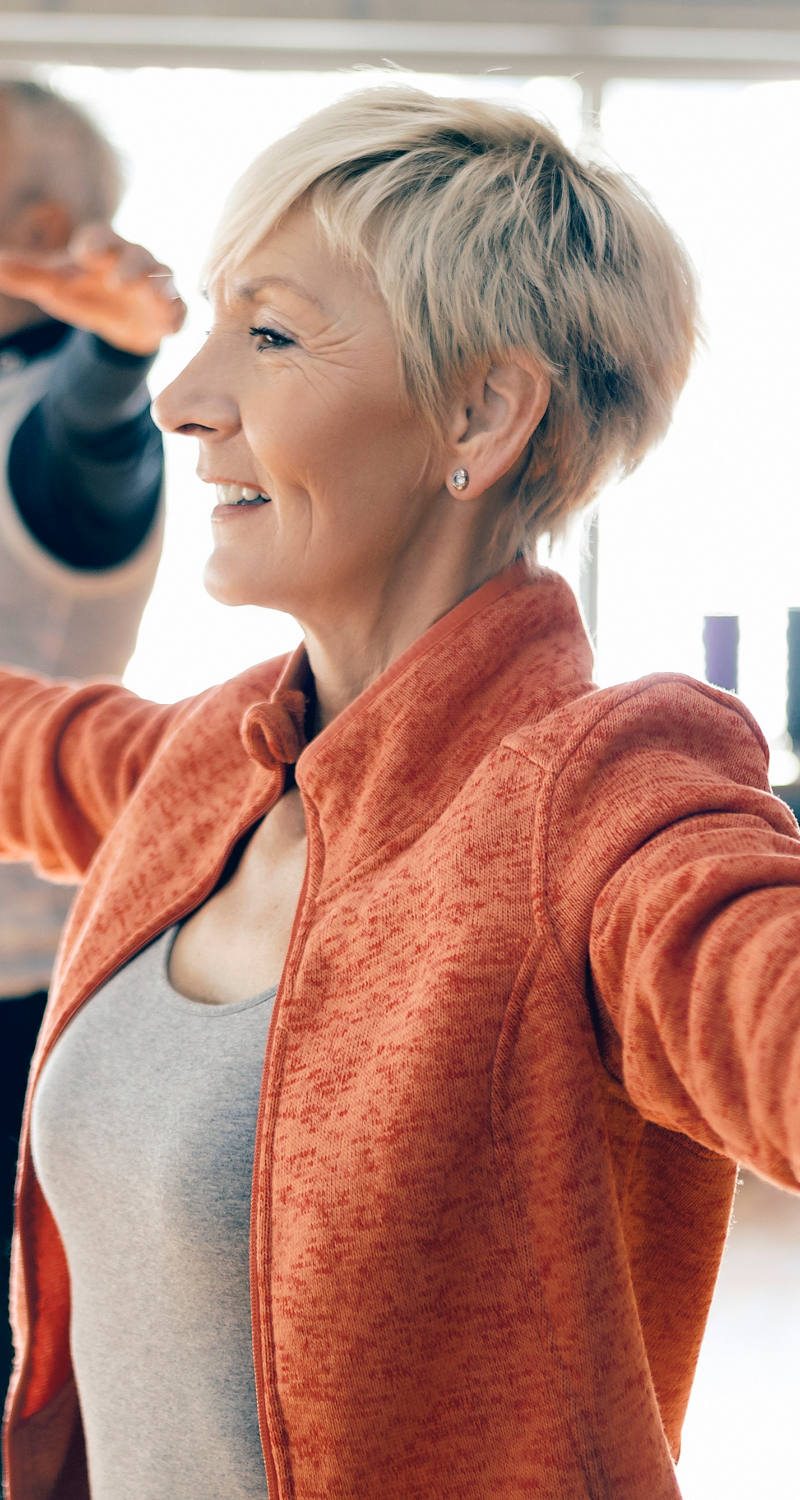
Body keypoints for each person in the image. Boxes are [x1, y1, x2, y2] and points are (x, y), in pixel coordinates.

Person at [0, 83, 798, 1500]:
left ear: (481, 410)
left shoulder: (601, 797)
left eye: (270, 335)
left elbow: (756, 990)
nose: (186, 403)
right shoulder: (212, 764)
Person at [0, 77, 185, 1408]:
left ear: (45, 221)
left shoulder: (65, 426)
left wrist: (119, 357)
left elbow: (96, 436)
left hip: (16, 989)